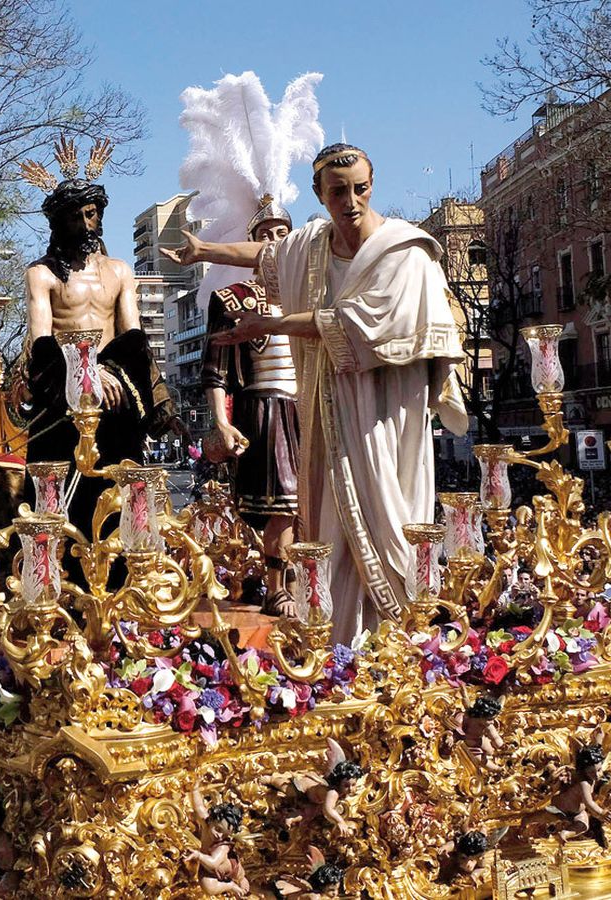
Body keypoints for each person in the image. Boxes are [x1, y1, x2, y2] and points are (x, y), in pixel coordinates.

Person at [165, 142, 467, 641]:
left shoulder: (405, 250)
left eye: (360, 189)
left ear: (372, 185)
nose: (351, 201)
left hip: (386, 408)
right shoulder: (311, 248)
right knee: (329, 519)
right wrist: (204, 252)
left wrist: (274, 321)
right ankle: (340, 638)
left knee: (389, 514)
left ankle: (402, 630)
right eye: (338, 192)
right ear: (320, 194)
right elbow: (266, 257)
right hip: (324, 407)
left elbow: (359, 326)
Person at [18, 143, 173, 540]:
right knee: (58, 485)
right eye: (77, 217)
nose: (88, 224)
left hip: (114, 387)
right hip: (61, 388)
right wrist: (84, 372)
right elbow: (42, 341)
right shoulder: (41, 274)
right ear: (59, 223)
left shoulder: (120, 271)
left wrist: (109, 373)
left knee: (122, 476)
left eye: (93, 214)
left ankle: (130, 557)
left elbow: (132, 336)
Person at [201, 202, 302, 616]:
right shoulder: (232, 299)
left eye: (282, 233)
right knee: (283, 504)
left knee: (311, 505)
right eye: (265, 234)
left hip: (310, 407)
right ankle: (277, 587)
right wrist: (221, 422)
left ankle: (302, 582)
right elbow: (215, 372)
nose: (274, 241)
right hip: (265, 410)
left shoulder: (310, 293)